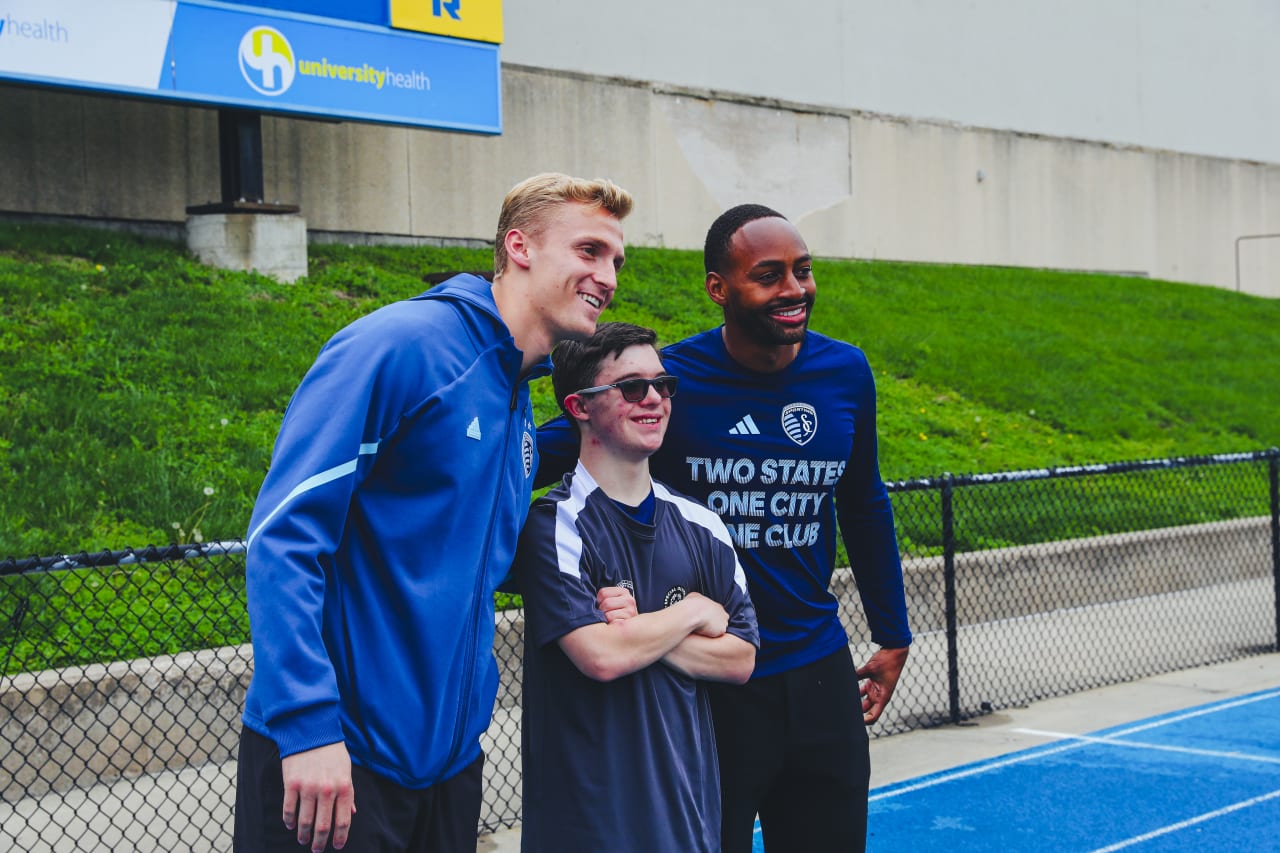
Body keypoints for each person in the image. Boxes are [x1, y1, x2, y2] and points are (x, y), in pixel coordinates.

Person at [234, 173, 633, 853]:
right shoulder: (402, 347)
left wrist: (579, 589)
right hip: (336, 758)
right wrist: (308, 726)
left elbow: (470, 551)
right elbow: (283, 538)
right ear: (520, 247)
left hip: (448, 770)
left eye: (617, 261)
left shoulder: (515, 398)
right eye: (590, 250)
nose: (609, 276)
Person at [536, 205, 912, 852]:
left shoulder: (845, 373)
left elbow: (865, 503)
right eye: (769, 275)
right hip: (710, 682)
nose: (794, 289)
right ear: (719, 288)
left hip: (818, 667)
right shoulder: (664, 387)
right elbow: (551, 445)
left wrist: (892, 630)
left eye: (803, 270)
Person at [515, 322, 759, 853]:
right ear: (580, 407)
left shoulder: (702, 525)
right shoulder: (553, 524)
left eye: (662, 385)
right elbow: (599, 656)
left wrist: (637, 630)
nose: (654, 399)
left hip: (688, 823)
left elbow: (740, 660)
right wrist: (692, 611)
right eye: (631, 388)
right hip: (588, 828)